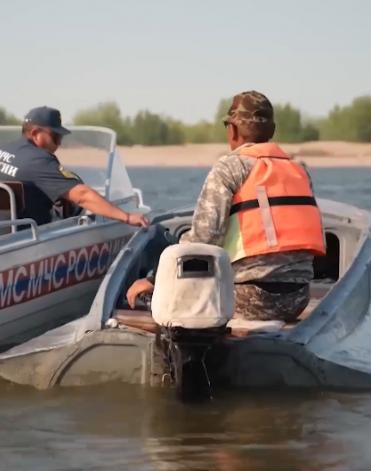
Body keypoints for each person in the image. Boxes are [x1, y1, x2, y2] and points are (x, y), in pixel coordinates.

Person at [126, 91, 326, 322]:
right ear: (271, 131)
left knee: (171, 264)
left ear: (232, 129)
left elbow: (203, 239)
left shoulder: (230, 168)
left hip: (250, 299)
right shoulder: (299, 172)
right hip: (297, 300)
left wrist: (154, 281)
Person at [0, 106, 149, 228]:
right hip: (25, 236)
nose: (60, 142)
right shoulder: (40, 160)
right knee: (76, 205)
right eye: (56, 136)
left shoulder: (2, 149)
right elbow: (82, 195)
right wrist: (127, 217)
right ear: (35, 133)